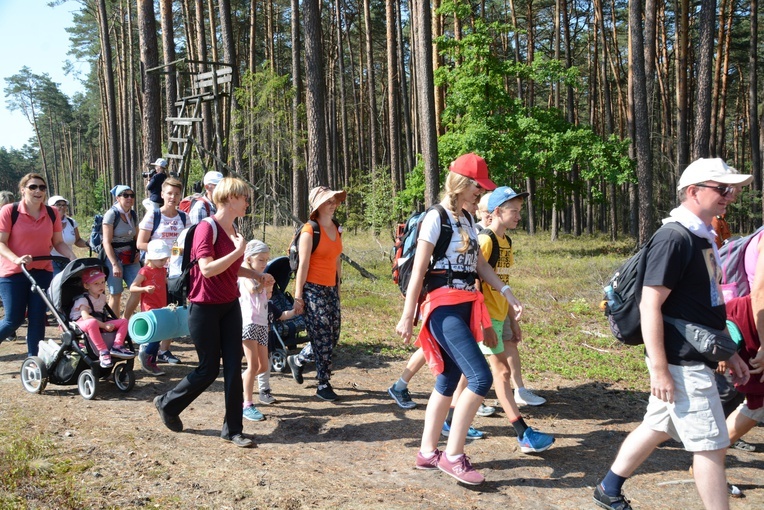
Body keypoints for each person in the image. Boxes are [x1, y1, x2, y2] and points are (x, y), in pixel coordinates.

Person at [593, 157, 753, 510]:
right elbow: (651, 305)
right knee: (712, 446)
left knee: (659, 424)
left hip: (693, 355)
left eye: (734, 189)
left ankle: (608, 488)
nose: (730, 195)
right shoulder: (675, 238)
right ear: (693, 191)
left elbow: (705, 306)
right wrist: (661, 369)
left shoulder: (702, 236)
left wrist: (730, 352)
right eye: (722, 188)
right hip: (682, 362)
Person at [395, 152, 523, 485]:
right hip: (442, 306)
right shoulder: (435, 218)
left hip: (466, 304)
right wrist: (408, 315)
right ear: (463, 184)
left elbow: (480, 267)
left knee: (449, 380)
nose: (481, 192)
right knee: (480, 377)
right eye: (478, 187)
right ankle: (453, 456)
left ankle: (427, 452)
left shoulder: (467, 219)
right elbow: (420, 269)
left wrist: (506, 292)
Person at [153, 177, 275, 448]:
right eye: (244, 197)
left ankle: (233, 430)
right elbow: (207, 269)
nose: (247, 202)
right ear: (230, 198)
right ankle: (167, 403)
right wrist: (239, 251)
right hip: (204, 307)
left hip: (229, 305)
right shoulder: (206, 229)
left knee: (233, 368)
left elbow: (230, 268)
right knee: (208, 369)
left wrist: (257, 274)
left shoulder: (233, 229)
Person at [475, 186, 554, 451]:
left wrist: (512, 320)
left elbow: (502, 282)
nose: (519, 216)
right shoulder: (486, 241)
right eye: (514, 211)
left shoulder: (506, 242)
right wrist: (486, 323)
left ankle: (449, 419)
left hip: (499, 315)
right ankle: (523, 433)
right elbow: (476, 284)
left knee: (470, 375)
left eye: (520, 211)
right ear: (497, 212)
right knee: (500, 372)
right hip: (484, 318)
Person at [0, 173, 76, 356]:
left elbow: (58, 242)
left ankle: (34, 362)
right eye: (33, 187)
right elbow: (1, 242)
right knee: (13, 319)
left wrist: (73, 258)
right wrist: (16, 259)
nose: (38, 191)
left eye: (42, 187)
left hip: (42, 271)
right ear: (22, 189)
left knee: (37, 319)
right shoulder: (10, 211)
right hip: (13, 272)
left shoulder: (52, 213)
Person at [286, 186, 346, 401]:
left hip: (330, 288)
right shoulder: (309, 230)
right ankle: (323, 384)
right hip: (312, 289)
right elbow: (303, 265)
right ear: (317, 205)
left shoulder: (337, 228)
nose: (333, 204)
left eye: (334, 200)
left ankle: (298, 361)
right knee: (322, 336)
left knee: (333, 336)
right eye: (328, 201)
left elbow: (337, 259)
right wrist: (298, 296)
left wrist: (338, 288)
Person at [239, 239, 303, 418]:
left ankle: (240, 383)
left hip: (262, 327)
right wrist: (262, 282)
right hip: (249, 324)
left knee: (263, 366)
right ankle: (247, 404)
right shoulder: (246, 276)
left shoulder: (260, 277)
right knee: (252, 366)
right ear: (250, 259)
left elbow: (276, 309)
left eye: (266, 260)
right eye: (260, 260)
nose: (264, 264)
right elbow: (252, 290)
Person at [134, 177, 186, 365]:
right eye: (169, 193)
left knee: (172, 311)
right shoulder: (153, 215)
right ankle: (147, 345)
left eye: (176, 194)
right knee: (154, 311)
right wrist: (162, 253)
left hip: (175, 272)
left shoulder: (183, 217)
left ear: (181, 196)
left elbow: (183, 243)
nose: (173, 197)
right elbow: (140, 243)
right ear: (162, 194)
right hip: (154, 271)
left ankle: (165, 350)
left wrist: (174, 253)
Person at [70, 268, 134, 368]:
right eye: (96, 284)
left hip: (99, 320)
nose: (101, 286)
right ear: (86, 286)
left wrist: (105, 323)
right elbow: (86, 317)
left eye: (103, 282)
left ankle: (117, 346)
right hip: (81, 322)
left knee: (124, 321)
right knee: (92, 322)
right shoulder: (83, 300)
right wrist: (104, 325)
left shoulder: (102, 297)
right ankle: (103, 351)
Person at [129, 239, 171, 376]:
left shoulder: (162, 270)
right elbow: (132, 287)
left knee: (159, 334)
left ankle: (149, 357)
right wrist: (145, 289)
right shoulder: (144, 271)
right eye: (161, 260)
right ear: (152, 258)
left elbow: (165, 283)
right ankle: (147, 356)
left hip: (161, 305)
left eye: (165, 259)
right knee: (156, 333)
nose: (164, 262)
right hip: (149, 307)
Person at [101, 185, 140, 317]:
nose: (129, 198)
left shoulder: (133, 214)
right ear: (118, 198)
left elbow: (137, 238)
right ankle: (114, 324)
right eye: (125, 195)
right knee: (116, 294)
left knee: (137, 290)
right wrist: (114, 264)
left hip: (130, 257)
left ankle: (125, 320)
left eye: (132, 195)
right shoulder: (111, 214)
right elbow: (106, 242)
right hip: (114, 257)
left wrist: (138, 252)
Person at [49, 195, 88, 274]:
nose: (62, 207)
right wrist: (57, 230)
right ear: (50, 207)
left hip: (68, 261)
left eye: (64, 205)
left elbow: (77, 241)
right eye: (58, 205)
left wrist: (89, 243)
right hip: (51, 261)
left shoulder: (71, 222)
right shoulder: (46, 222)